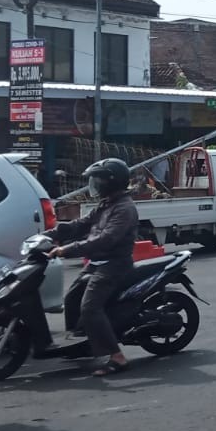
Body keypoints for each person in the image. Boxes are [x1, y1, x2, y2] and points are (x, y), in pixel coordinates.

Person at [47, 158, 138, 376]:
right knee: (71, 299)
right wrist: (50, 234)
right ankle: (84, 342)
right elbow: (81, 225)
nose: (94, 185)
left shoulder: (124, 208)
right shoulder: (107, 203)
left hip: (113, 264)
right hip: (98, 262)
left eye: (97, 181)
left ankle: (117, 357)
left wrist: (67, 250)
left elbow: (106, 240)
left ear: (111, 182)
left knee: (90, 309)